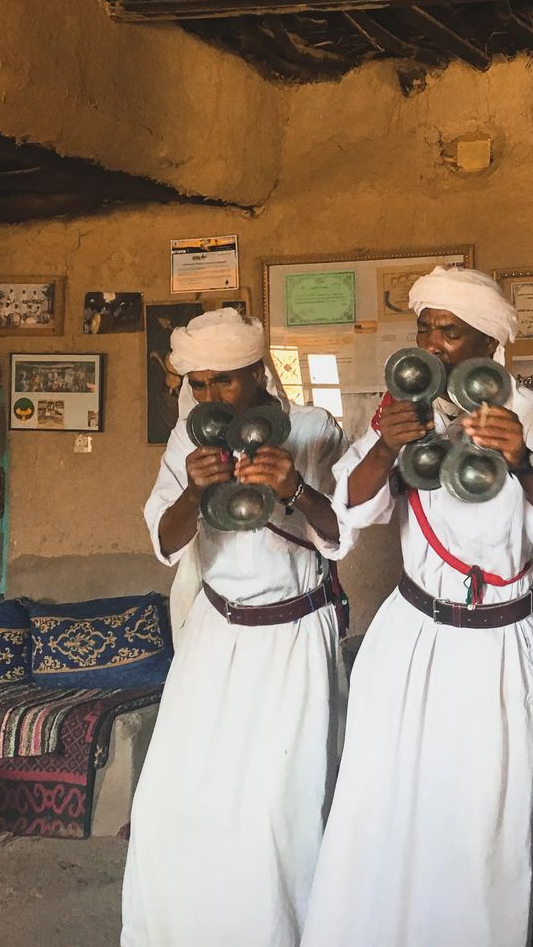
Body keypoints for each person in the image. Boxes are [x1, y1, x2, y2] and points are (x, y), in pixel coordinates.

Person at [300, 267, 533, 947]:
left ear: (490, 341)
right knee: (385, 802)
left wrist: (524, 462)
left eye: (450, 331)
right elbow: (348, 511)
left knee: (481, 815)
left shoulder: (532, 417)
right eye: (425, 327)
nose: (431, 343)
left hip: (498, 640)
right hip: (413, 634)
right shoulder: (407, 407)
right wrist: (389, 444)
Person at [123, 308, 348, 947]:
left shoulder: (314, 428)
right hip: (215, 635)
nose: (211, 396)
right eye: (198, 384)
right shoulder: (187, 439)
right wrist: (194, 492)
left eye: (224, 380)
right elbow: (166, 543)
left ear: (257, 372)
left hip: (294, 637)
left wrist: (294, 487)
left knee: (277, 811)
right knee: (178, 798)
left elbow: (341, 534)